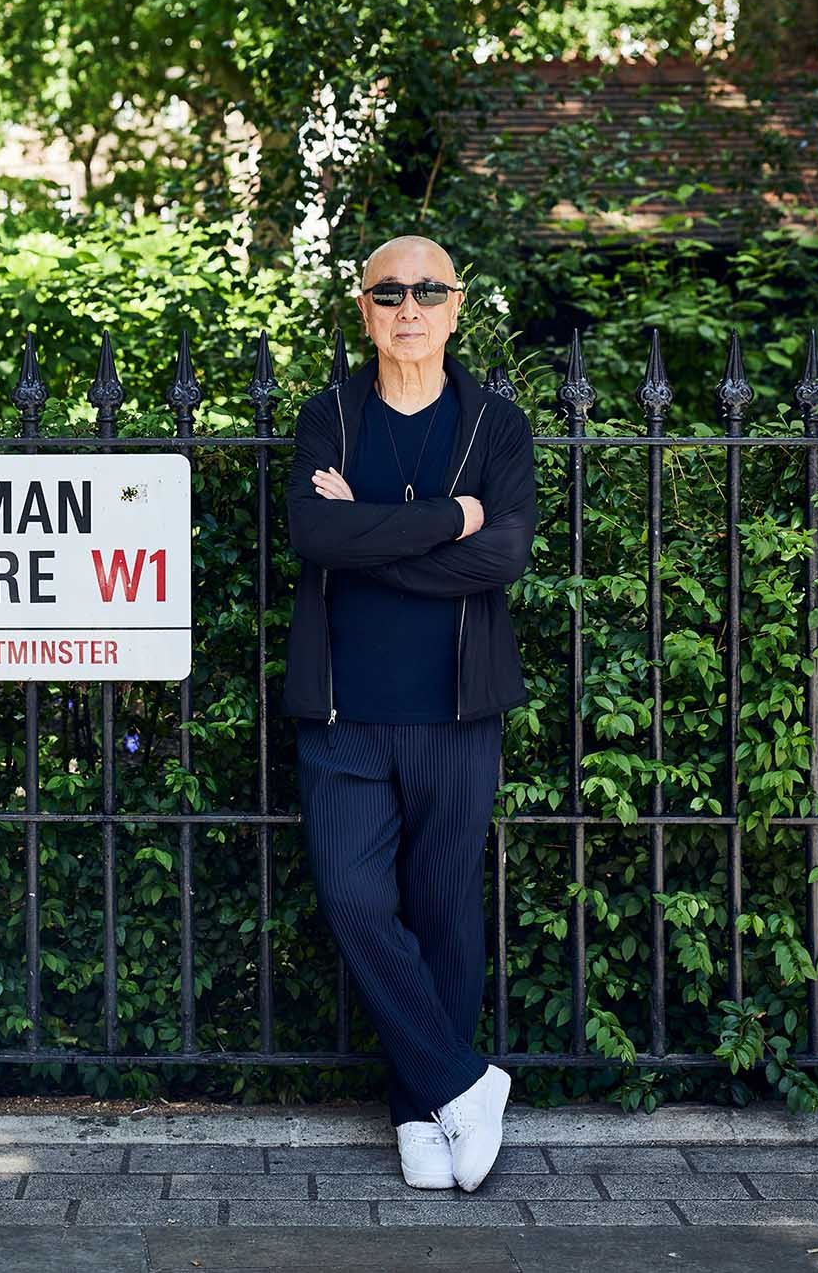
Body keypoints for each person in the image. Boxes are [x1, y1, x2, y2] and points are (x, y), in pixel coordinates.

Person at [282, 235, 538, 1192]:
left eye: (428, 290)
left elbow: (501, 557)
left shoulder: (496, 428)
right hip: (345, 713)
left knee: (441, 912)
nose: (409, 306)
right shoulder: (330, 418)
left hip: (458, 714)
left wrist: (371, 535)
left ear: (457, 305)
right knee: (353, 898)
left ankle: (421, 1115)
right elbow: (314, 532)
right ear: (364, 309)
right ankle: (465, 1084)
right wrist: (446, 514)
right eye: (389, 292)